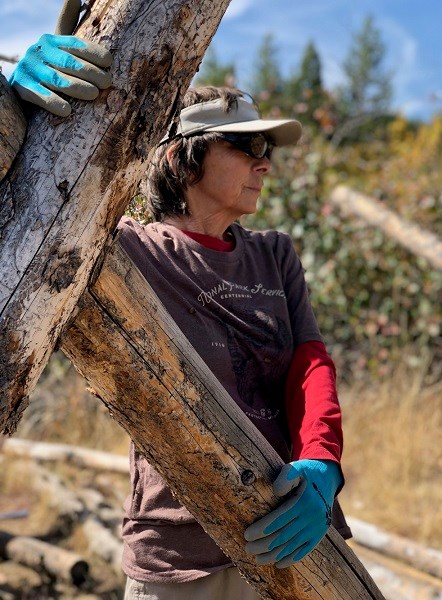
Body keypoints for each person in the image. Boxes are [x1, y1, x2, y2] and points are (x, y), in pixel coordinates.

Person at [9, 13, 351, 600]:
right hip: (175, 549)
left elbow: (309, 364)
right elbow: (28, 216)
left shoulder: (274, 254)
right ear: (180, 157)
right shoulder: (119, 248)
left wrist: (323, 461)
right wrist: (18, 111)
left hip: (288, 530)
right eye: (246, 145)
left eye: (266, 147)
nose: (264, 161)